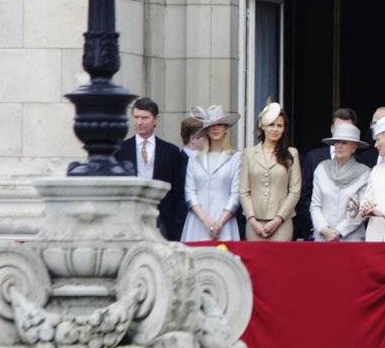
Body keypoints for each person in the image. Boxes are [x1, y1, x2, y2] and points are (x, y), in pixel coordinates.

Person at [114, 97, 187, 240]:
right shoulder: (120, 150)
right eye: (136, 117)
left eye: (144, 118)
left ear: (155, 119)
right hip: (130, 220)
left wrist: (176, 224)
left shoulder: (171, 152)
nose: (139, 122)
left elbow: (178, 191)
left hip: (164, 221)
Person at [298, 108, 376, 239]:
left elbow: (361, 211)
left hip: (351, 238)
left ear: (354, 147)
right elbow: (315, 205)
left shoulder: (365, 173)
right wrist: (324, 229)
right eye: (336, 142)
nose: (338, 146)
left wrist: (339, 231)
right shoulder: (321, 168)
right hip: (323, 237)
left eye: (344, 142)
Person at [239, 102, 302, 241]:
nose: (275, 129)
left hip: (282, 223)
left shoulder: (292, 153)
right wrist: (252, 219)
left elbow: (295, 191)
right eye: (271, 124)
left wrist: (278, 219)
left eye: (280, 126)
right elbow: (244, 191)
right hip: (254, 223)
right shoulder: (249, 153)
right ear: (262, 126)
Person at [181, 105, 242, 242]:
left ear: (226, 128)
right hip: (197, 222)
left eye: (220, 124)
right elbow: (190, 192)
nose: (216, 128)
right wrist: (206, 221)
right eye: (212, 125)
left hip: (225, 223)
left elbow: (235, 194)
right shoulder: (194, 158)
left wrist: (220, 223)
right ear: (206, 130)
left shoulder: (235, 157)